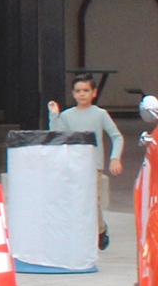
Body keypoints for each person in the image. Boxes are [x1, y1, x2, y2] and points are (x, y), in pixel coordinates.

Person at [48, 74, 123, 250]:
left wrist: (115, 158)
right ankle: (80, 233)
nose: (82, 94)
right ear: (73, 94)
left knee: (92, 200)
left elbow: (116, 136)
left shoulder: (100, 114)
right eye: (78, 91)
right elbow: (58, 135)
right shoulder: (67, 115)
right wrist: (54, 115)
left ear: (94, 93)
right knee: (74, 200)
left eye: (86, 90)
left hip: (93, 166)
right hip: (72, 166)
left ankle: (100, 229)